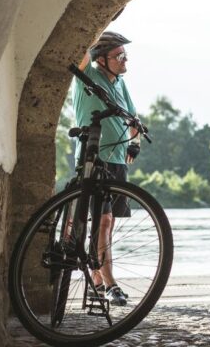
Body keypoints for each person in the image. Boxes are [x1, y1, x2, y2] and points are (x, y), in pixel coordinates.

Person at [74, 29, 140, 306]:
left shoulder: (119, 83)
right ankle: (110, 283)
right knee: (102, 220)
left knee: (108, 224)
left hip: (116, 159)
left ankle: (97, 280)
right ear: (101, 59)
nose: (125, 60)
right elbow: (80, 53)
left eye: (125, 54)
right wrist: (99, 26)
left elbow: (133, 117)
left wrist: (135, 143)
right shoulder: (87, 76)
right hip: (93, 156)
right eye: (119, 55)